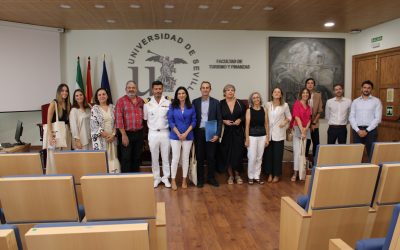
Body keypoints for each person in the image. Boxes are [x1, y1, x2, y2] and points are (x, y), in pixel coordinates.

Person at [192, 81, 222, 188]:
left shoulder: (216, 102)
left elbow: (219, 119)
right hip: (199, 132)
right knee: (199, 157)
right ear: (200, 89)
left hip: (211, 131)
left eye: (207, 87)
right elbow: (193, 119)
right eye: (203, 87)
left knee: (211, 157)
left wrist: (218, 134)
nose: (205, 89)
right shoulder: (195, 102)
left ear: (210, 89)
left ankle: (211, 178)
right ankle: (200, 180)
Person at [144, 81, 171, 188]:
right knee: (154, 157)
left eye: (160, 89)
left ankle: (166, 178)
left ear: (162, 89)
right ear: (152, 90)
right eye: (156, 89)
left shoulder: (168, 102)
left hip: (165, 133)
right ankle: (156, 178)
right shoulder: (147, 103)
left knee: (165, 157)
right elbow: (145, 118)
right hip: (153, 133)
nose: (158, 91)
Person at [168, 86, 196, 191]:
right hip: (175, 136)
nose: (181, 95)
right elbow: (170, 121)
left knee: (185, 158)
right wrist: (179, 133)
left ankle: (184, 179)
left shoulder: (191, 106)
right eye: (179, 93)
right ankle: (173, 180)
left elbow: (194, 121)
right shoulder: (172, 106)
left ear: (186, 95)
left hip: (188, 136)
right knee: (175, 158)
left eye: (183, 93)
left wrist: (185, 133)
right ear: (176, 95)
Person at [115, 81, 144, 173]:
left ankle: (135, 178)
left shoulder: (141, 101)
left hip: (139, 133)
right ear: (126, 89)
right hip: (126, 134)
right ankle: (126, 179)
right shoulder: (121, 101)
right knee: (126, 158)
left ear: (136, 89)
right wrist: (123, 135)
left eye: (133, 87)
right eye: (129, 87)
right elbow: (119, 119)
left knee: (137, 157)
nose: (131, 89)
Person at [264, 87, 292, 183]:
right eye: (275, 92)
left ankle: (276, 174)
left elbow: (289, 117)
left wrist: (284, 122)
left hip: (279, 133)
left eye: (278, 92)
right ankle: (270, 173)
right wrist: (266, 134)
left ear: (281, 94)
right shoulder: (267, 104)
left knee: (277, 155)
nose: (276, 93)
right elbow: (266, 119)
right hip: (269, 133)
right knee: (268, 155)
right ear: (272, 94)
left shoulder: (285, 105)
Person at [220, 84, 246, 185]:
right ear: (224, 92)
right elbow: (217, 116)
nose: (230, 92)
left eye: (232, 90)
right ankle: (230, 176)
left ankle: (237, 175)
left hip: (238, 132)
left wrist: (240, 119)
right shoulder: (221, 103)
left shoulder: (240, 103)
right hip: (225, 133)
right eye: (228, 90)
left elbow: (245, 115)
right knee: (227, 155)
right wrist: (223, 121)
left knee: (237, 154)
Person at [349, 80, 382, 158]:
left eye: (368, 88)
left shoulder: (376, 101)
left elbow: (378, 118)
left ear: (371, 89)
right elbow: (351, 117)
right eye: (364, 87)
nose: (366, 89)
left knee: (372, 153)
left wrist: (367, 130)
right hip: (357, 130)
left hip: (371, 131)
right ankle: (357, 169)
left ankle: (372, 169)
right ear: (361, 89)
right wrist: (357, 130)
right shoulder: (355, 101)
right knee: (356, 154)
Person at [90, 88, 120, 173]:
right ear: (97, 97)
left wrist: (113, 135)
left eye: (104, 94)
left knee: (113, 158)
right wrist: (107, 136)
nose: (102, 96)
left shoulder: (113, 107)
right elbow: (93, 125)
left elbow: (117, 122)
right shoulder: (94, 109)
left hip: (113, 139)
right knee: (103, 160)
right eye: (99, 95)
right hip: (101, 139)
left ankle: (114, 177)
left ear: (107, 96)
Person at [46, 83, 72, 174]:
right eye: (62, 91)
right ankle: (54, 177)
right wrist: (50, 135)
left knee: (65, 156)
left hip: (66, 133)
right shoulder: (54, 103)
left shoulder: (68, 104)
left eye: (66, 91)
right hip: (56, 132)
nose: (65, 92)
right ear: (59, 92)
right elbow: (48, 120)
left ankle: (64, 175)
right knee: (54, 157)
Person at [245, 92, 269, 185]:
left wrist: (267, 137)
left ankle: (257, 176)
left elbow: (266, 124)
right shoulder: (249, 111)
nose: (256, 99)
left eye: (258, 97)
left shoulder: (264, 110)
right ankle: (250, 177)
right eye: (254, 98)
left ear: (260, 99)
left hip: (262, 136)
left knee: (259, 158)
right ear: (252, 100)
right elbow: (247, 126)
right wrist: (247, 138)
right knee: (252, 157)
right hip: (252, 137)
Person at [291, 87, 311, 181]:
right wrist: (302, 130)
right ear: (301, 94)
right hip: (298, 128)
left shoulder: (309, 106)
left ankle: (301, 172)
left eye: (307, 93)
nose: (305, 94)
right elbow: (296, 117)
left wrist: (306, 129)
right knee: (297, 152)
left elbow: (309, 119)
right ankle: (295, 173)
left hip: (306, 130)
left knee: (303, 152)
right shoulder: (297, 103)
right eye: (303, 93)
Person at [305, 78, 322, 161]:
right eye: (308, 83)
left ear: (314, 85)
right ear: (306, 85)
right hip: (305, 124)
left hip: (315, 123)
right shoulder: (303, 94)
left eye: (312, 83)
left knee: (316, 142)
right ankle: (305, 161)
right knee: (306, 143)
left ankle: (315, 160)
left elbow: (320, 111)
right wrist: (308, 123)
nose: (310, 84)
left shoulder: (318, 95)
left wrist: (314, 123)